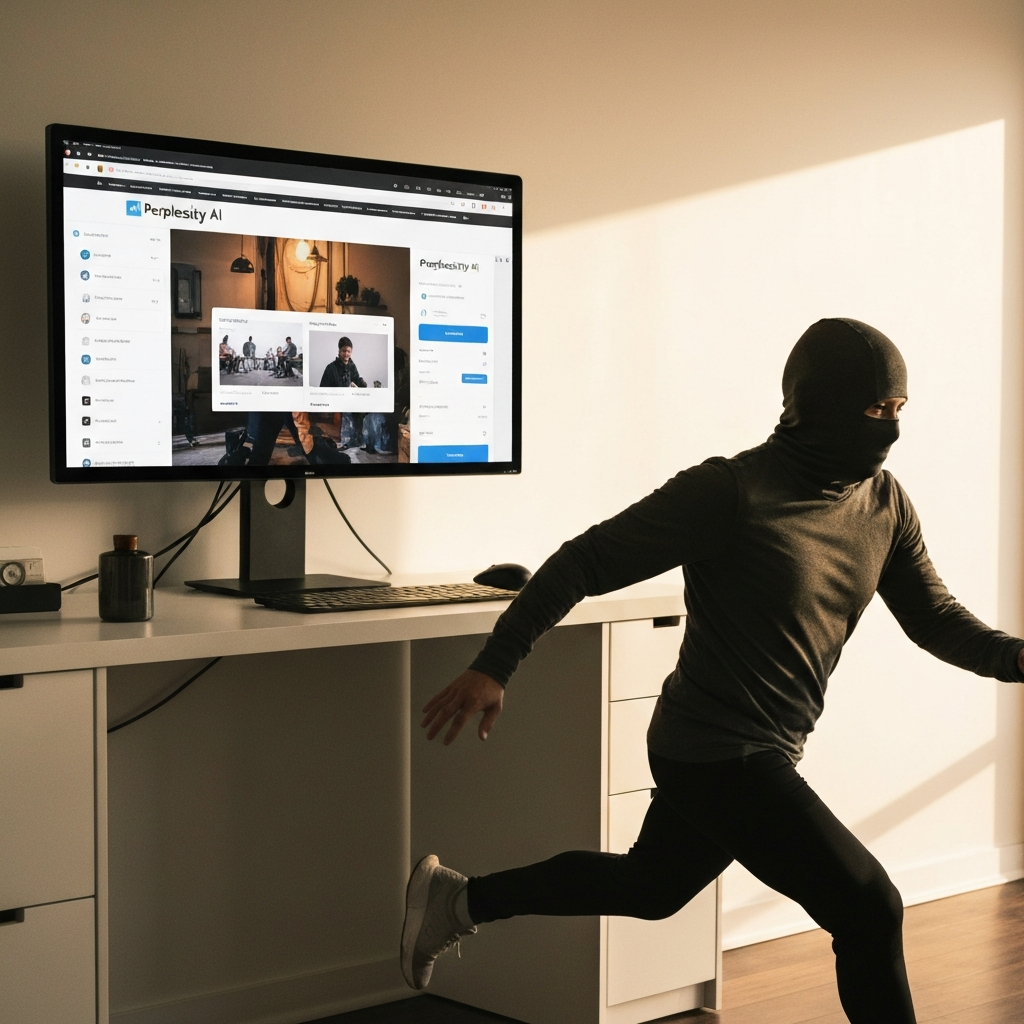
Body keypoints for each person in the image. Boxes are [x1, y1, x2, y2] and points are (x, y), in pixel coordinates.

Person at [401, 318, 1024, 1024]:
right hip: (715, 751)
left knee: (650, 888)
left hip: (762, 746)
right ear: (820, 404)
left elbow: (934, 617)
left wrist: (1015, 658)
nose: (890, 430)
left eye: (899, 411)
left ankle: (458, 899)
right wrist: (495, 664)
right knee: (870, 908)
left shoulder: (884, 503)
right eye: (875, 410)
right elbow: (585, 559)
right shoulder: (732, 492)